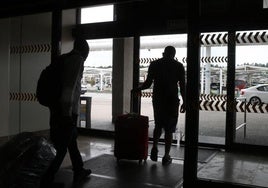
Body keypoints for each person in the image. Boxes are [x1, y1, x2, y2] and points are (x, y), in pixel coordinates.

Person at [40, 38, 91, 188]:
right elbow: (69, 89)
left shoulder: (64, 58)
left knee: (70, 140)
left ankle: (79, 169)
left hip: (57, 108)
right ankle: (46, 179)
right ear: (85, 51)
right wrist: (67, 115)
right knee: (61, 146)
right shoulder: (77, 60)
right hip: (65, 111)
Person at [133, 46, 185, 165]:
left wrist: (138, 89)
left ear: (163, 53)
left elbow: (148, 82)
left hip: (158, 99)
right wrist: (185, 102)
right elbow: (182, 86)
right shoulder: (178, 66)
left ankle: (155, 147)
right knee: (169, 130)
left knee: (158, 125)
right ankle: (166, 156)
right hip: (171, 100)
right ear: (174, 54)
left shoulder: (155, 64)